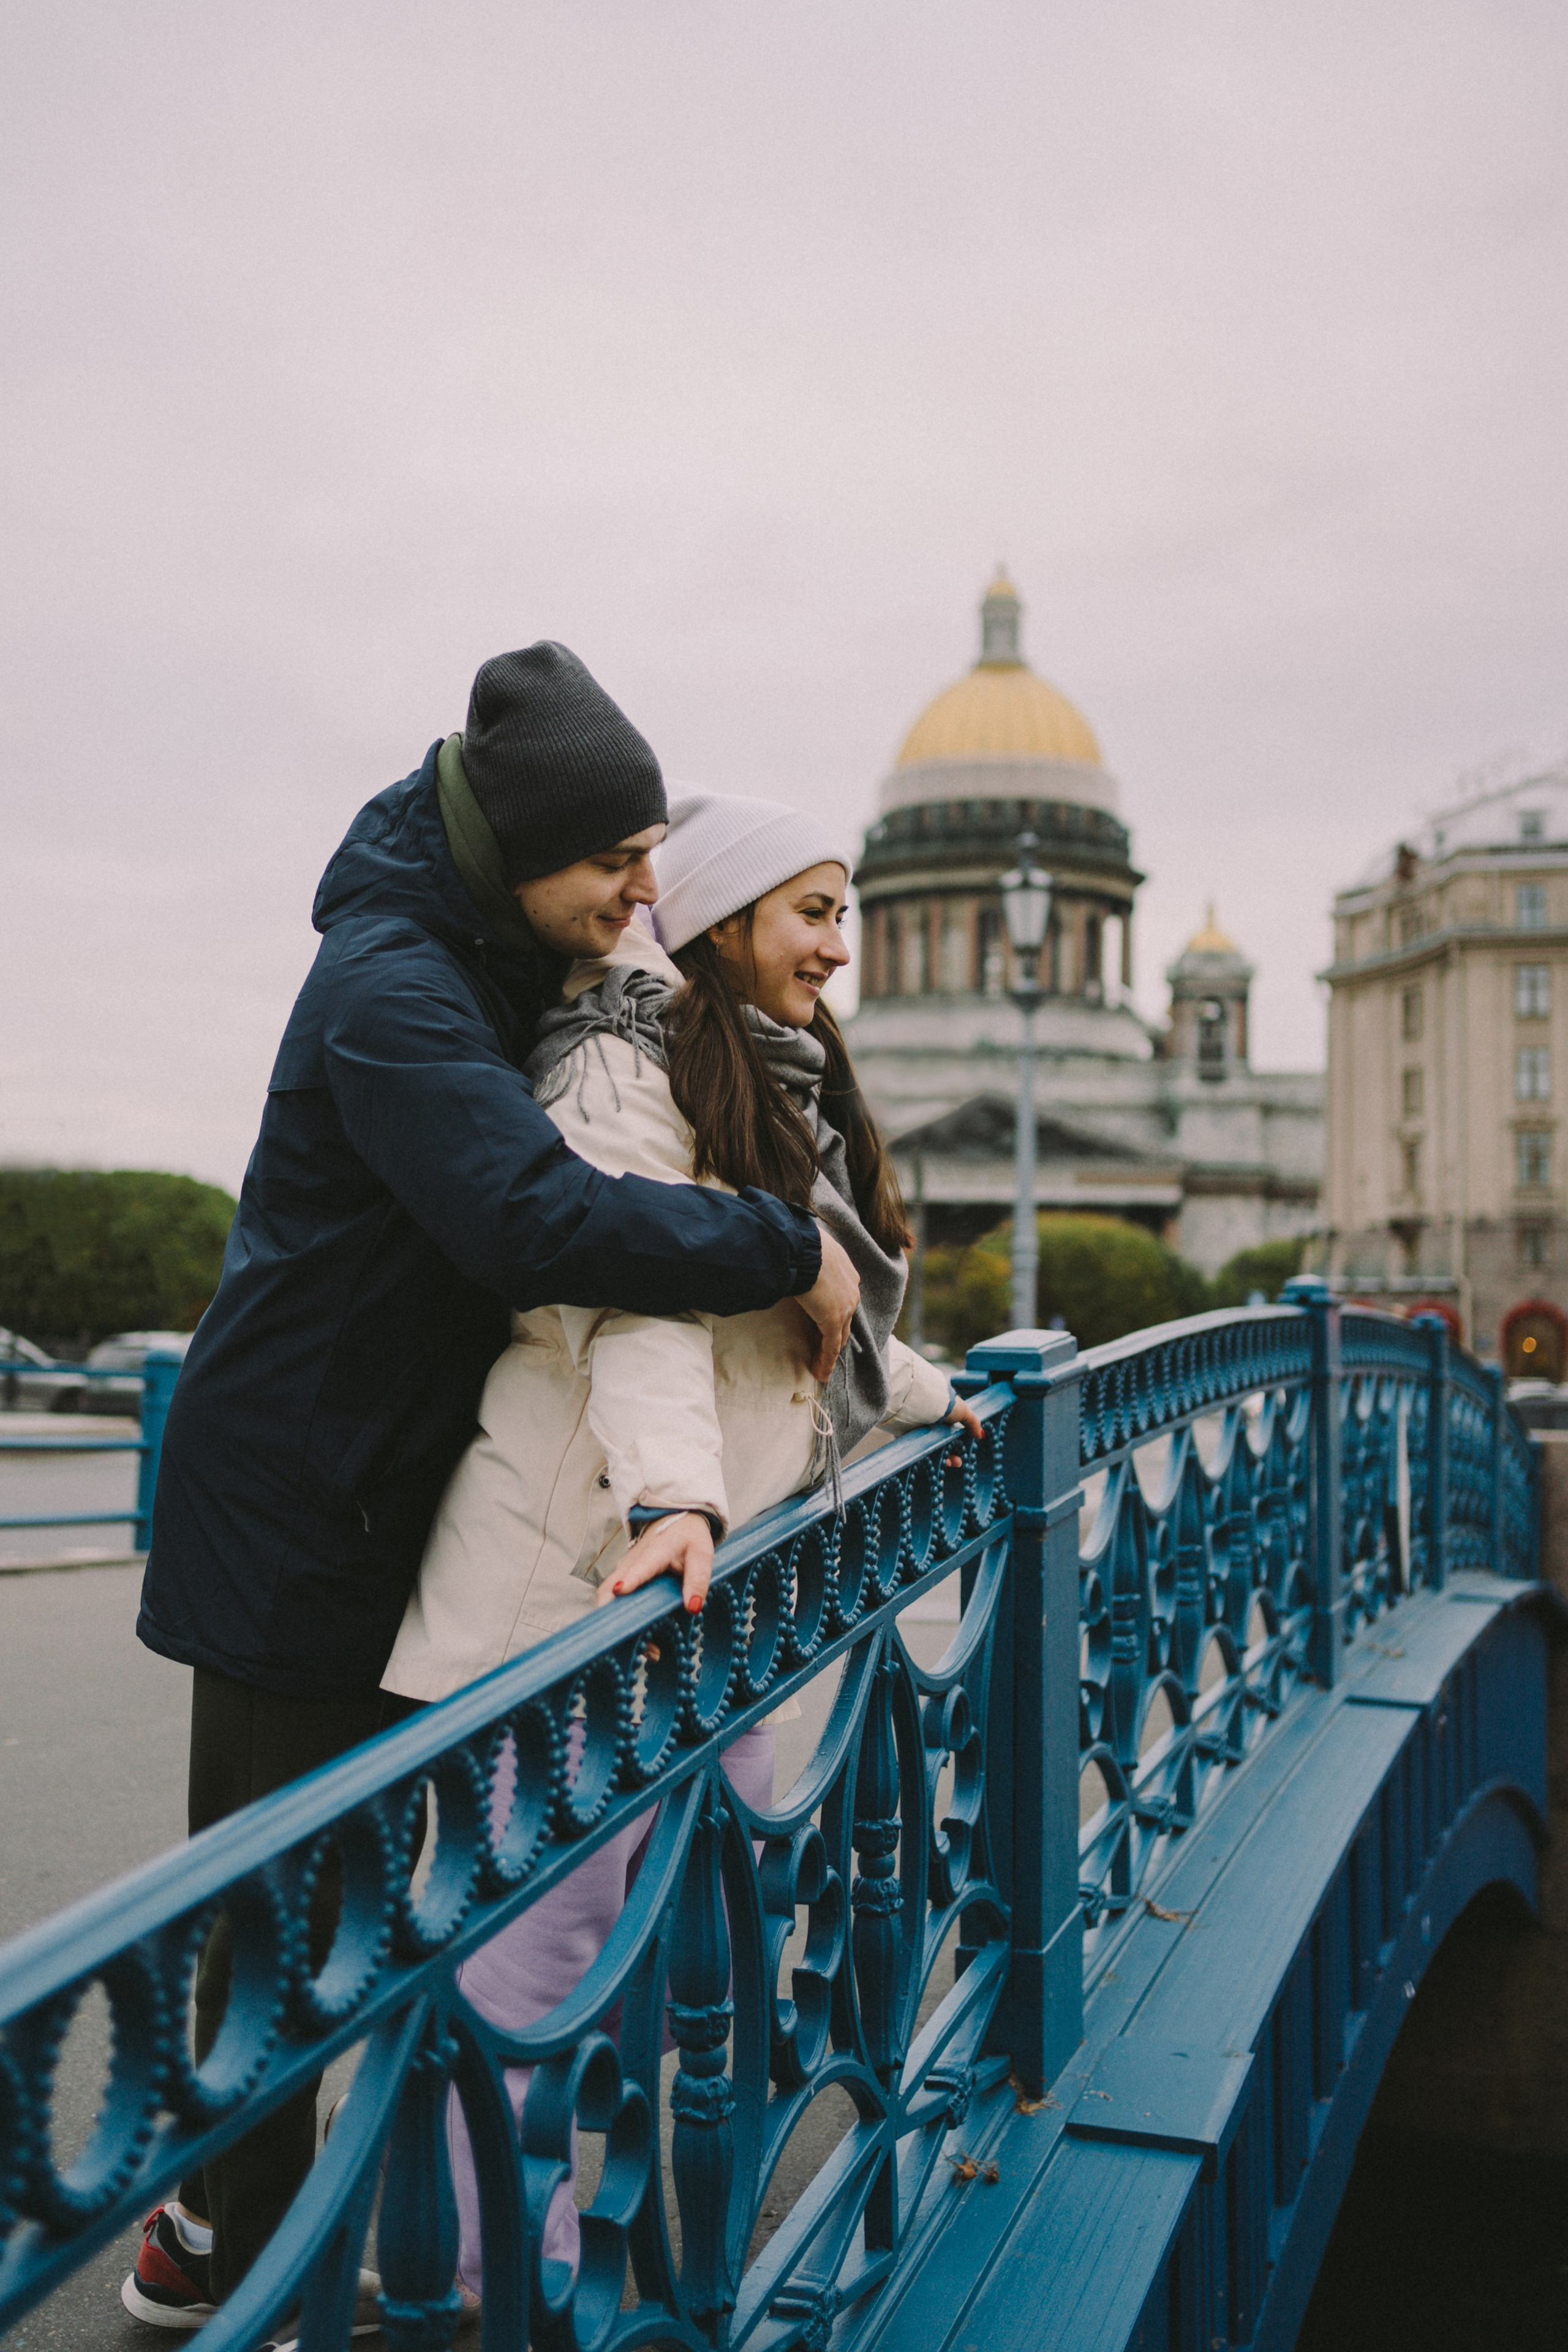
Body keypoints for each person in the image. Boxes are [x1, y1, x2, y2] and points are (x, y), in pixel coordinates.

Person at [123, 650, 861, 2334]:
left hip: (381, 1487)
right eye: (617, 859)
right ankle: (244, 2289)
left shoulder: (493, 948)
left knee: (357, 1909)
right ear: (522, 848)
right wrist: (784, 1248)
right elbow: (536, 1218)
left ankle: (236, 2239)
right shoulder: (393, 982)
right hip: (297, 1512)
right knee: (283, 1925)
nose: (644, 891)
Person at [380, 790, 981, 2303]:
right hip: (594, 1578)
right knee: (533, 1960)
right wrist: (675, 1502)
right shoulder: (613, 1066)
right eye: (812, 913)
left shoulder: (764, 1071)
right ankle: (468, 2287)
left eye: (845, 913)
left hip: (706, 1596)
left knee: (699, 1932)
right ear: (720, 919)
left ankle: (645, 2264)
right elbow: (633, 1306)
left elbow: (789, 1327)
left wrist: (925, 1391)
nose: (839, 947)